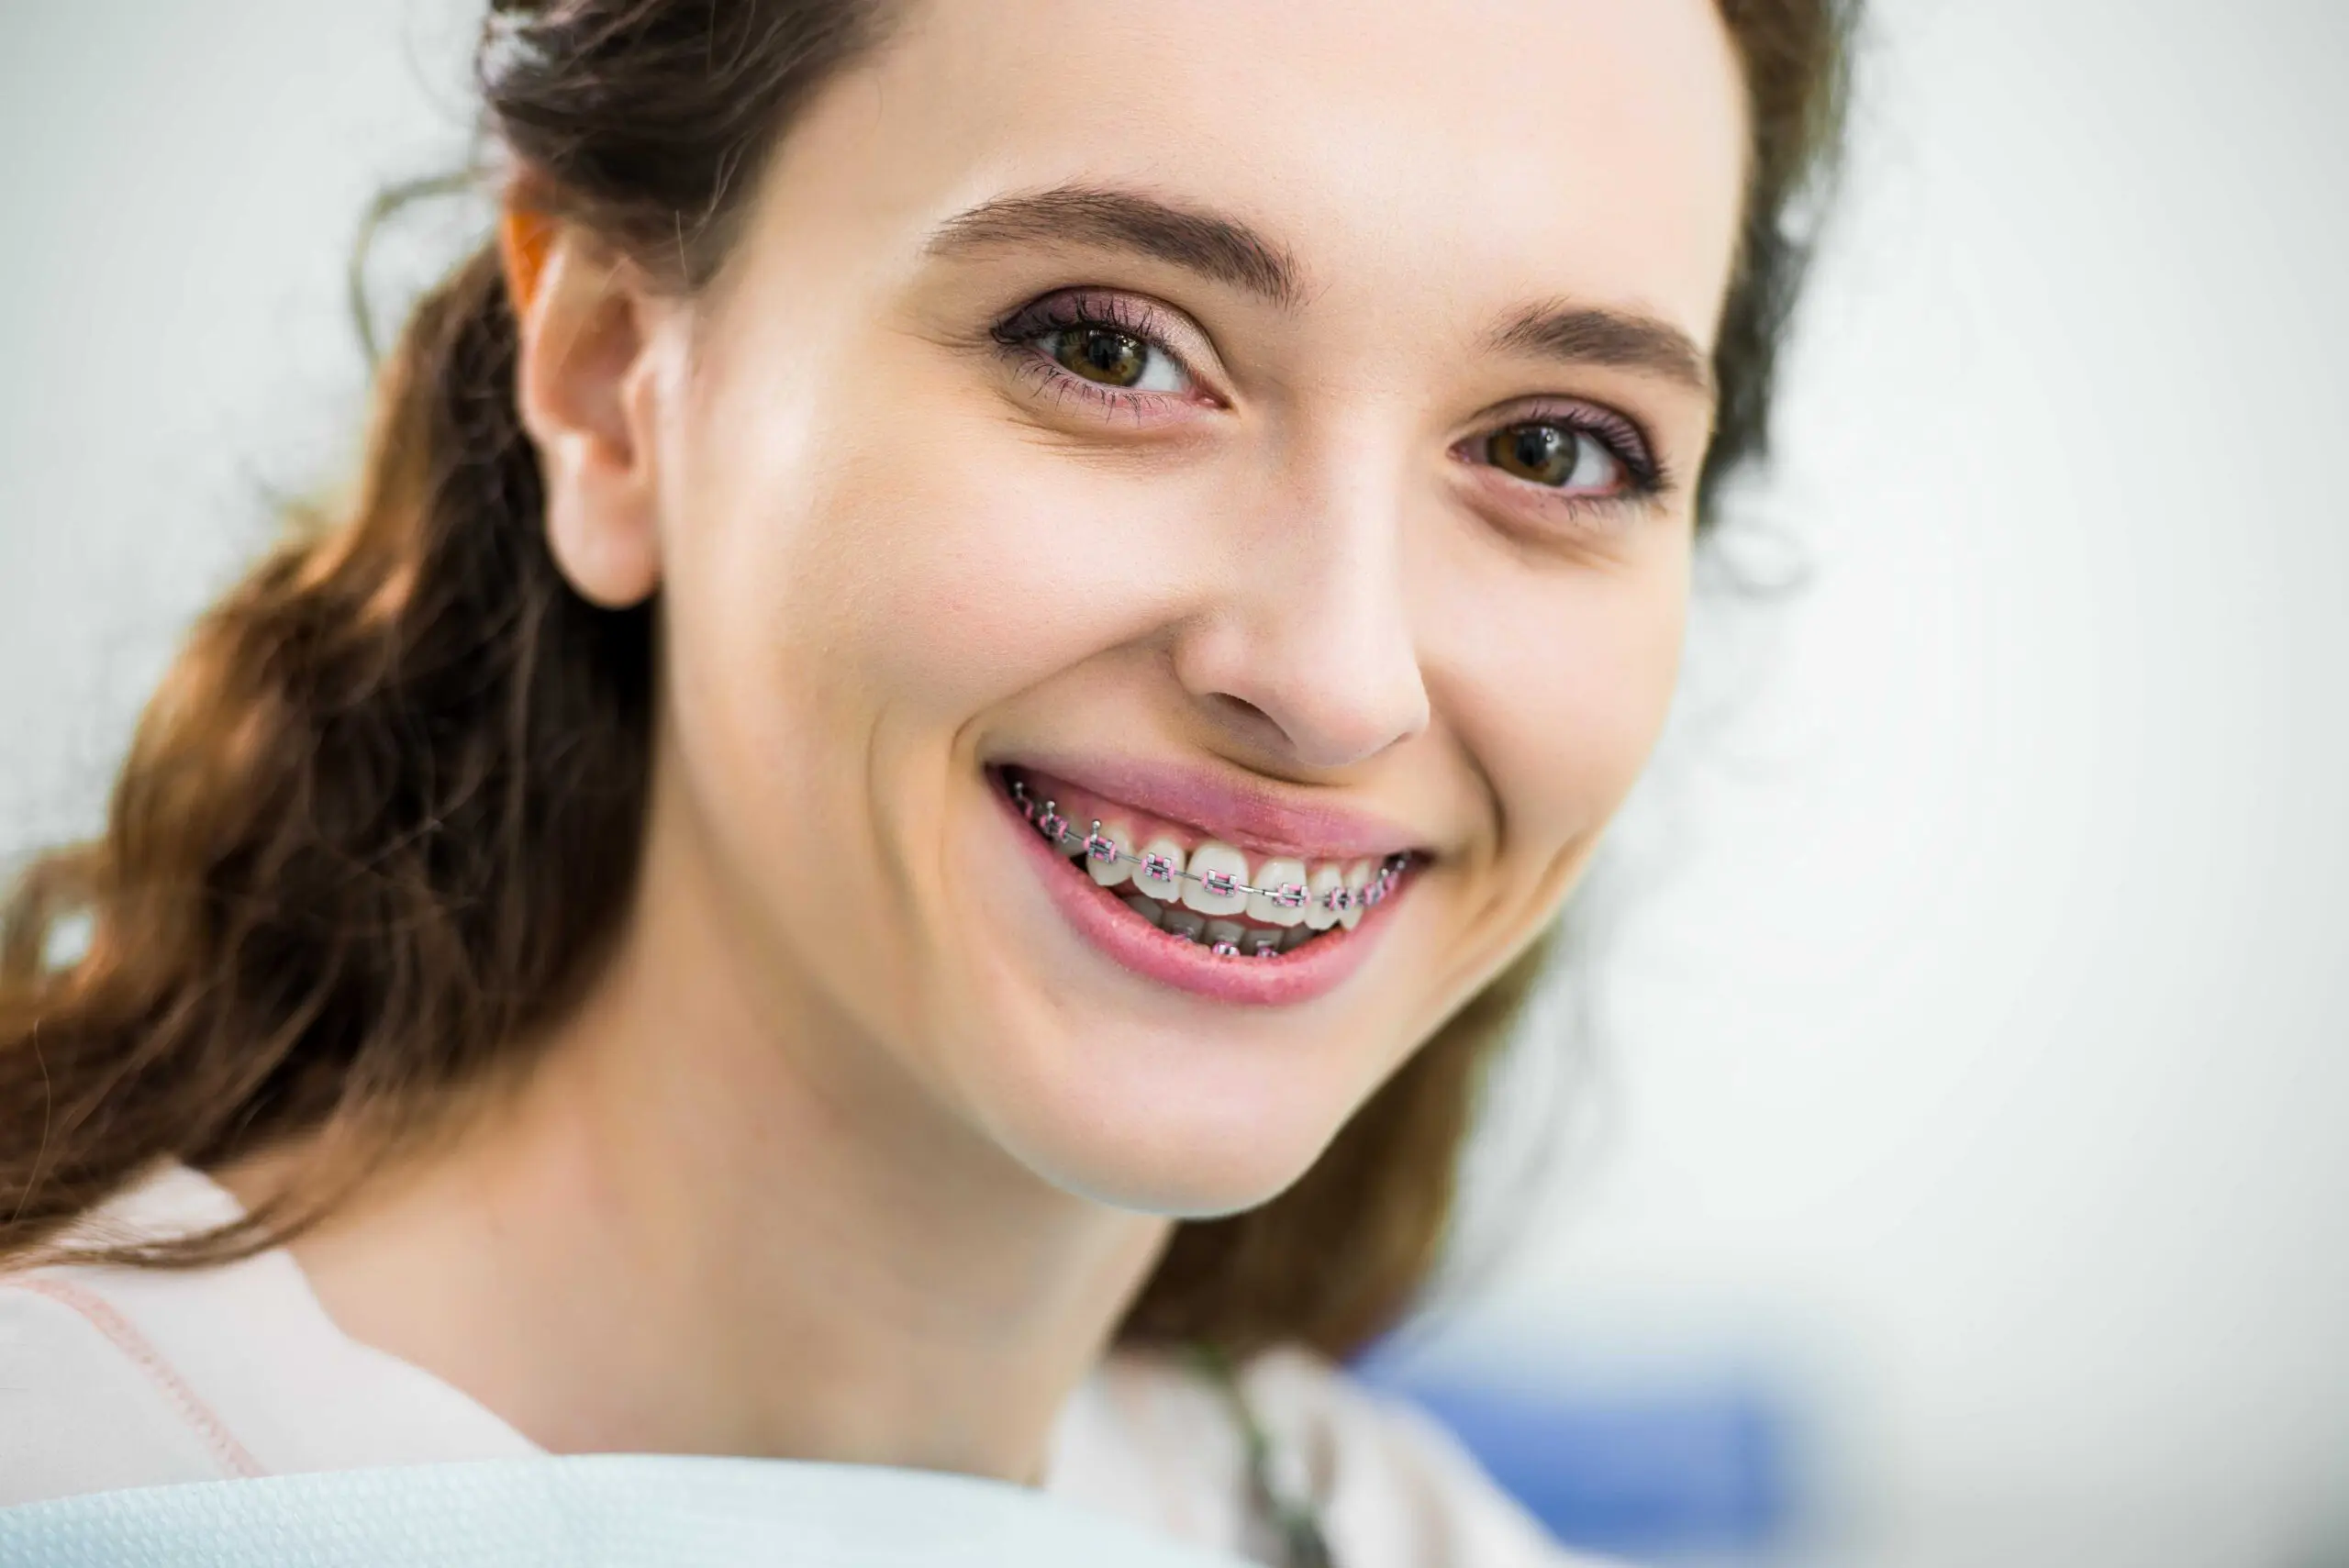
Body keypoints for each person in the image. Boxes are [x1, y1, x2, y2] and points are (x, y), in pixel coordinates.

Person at [0, 1, 1852, 1562]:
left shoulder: (1382, 1527)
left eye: (1556, 448)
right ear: (612, 380)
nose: (1334, 679)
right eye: (1111, 348)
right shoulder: (77, 1473)